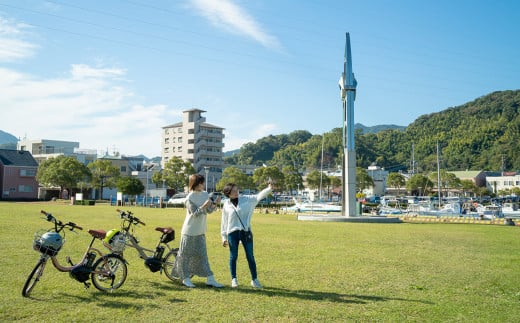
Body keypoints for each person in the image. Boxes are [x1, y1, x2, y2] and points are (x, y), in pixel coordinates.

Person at [172, 174, 223, 288]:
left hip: (200, 230)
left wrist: (215, 203)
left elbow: (209, 211)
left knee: (203, 255)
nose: (203, 185)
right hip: (189, 231)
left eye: (203, 183)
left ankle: (210, 279)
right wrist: (204, 206)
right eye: (201, 183)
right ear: (195, 184)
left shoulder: (205, 194)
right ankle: (185, 278)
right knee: (185, 256)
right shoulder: (189, 198)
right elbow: (195, 214)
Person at [221, 182, 272, 288]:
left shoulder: (246, 199)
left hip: (245, 232)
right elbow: (224, 221)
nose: (236, 192)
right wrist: (223, 237)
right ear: (228, 194)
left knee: (250, 256)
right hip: (232, 233)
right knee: (233, 256)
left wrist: (269, 189)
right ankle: (234, 279)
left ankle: (254, 279)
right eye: (233, 191)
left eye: (237, 190)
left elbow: (258, 196)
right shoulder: (226, 204)